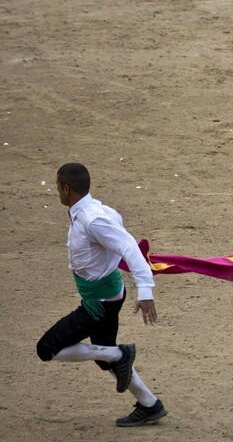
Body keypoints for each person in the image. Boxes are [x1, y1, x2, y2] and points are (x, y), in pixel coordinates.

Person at [36, 162, 168, 427]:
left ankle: (116, 355)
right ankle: (149, 404)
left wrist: (145, 289)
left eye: (57, 187)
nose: (57, 192)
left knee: (47, 348)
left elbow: (129, 247)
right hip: (108, 295)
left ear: (66, 189)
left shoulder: (93, 219)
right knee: (106, 356)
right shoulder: (99, 211)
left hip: (99, 303)